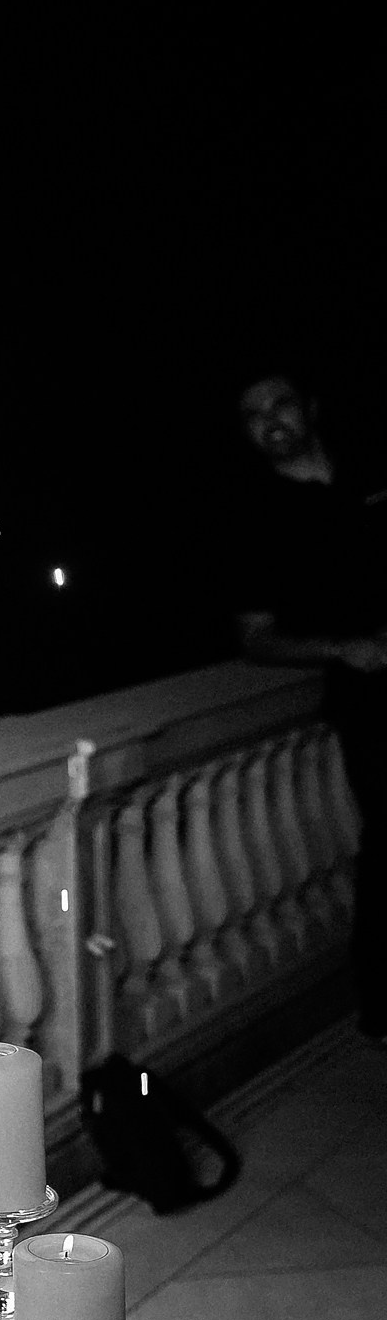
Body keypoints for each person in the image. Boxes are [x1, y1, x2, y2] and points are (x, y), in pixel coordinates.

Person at [230, 373, 385, 1037]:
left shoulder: (368, 475)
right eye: (254, 414)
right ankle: (380, 1004)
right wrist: (342, 647)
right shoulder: (258, 520)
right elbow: (254, 638)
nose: (271, 421)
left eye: (281, 403)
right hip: (370, 700)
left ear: (311, 406)